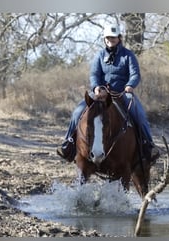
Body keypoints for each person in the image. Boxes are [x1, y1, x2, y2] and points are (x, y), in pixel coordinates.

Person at [57, 23, 160, 164]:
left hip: (122, 92)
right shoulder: (99, 55)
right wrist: (96, 87)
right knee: (77, 112)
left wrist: (130, 85)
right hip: (101, 93)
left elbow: (135, 74)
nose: (110, 40)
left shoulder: (128, 55)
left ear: (119, 38)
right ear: (104, 39)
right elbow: (94, 74)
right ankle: (68, 144)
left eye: (113, 37)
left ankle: (148, 145)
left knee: (139, 114)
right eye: (107, 38)